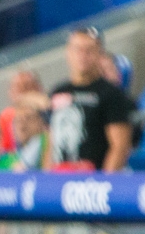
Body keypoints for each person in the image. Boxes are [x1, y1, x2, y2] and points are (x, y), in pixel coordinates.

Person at [49, 27, 133, 171]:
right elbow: (51, 142)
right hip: (60, 177)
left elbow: (119, 146)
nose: (83, 55)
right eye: (77, 49)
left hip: (93, 180)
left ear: (100, 55)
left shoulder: (111, 94)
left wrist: (105, 183)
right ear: (68, 53)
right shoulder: (58, 92)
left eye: (89, 50)